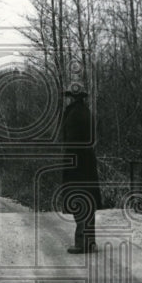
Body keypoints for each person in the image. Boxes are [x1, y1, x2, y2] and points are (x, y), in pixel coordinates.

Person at [59, 89, 101, 254]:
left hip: (77, 163)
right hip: (87, 162)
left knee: (79, 199)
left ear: (72, 98)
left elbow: (71, 141)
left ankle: (82, 243)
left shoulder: (74, 114)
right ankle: (90, 242)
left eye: (68, 96)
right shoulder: (86, 112)